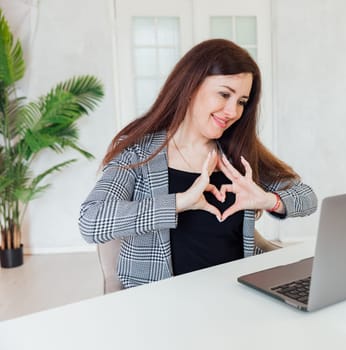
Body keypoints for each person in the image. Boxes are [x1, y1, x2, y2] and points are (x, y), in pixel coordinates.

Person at [79, 39, 317, 288]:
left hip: (235, 295)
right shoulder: (139, 153)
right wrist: (180, 202)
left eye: (241, 101)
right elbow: (91, 220)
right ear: (191, 88)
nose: (232, 111)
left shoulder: (238, 153)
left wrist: (268, 200)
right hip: (159, 302)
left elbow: (307, 197)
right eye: (224, 94)